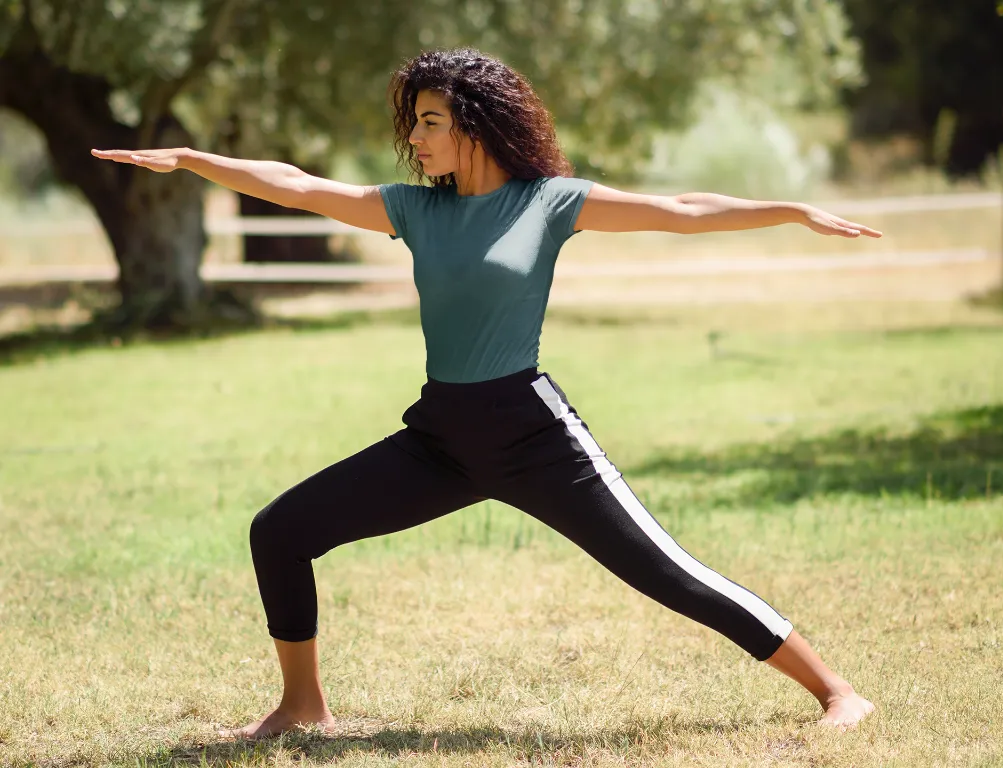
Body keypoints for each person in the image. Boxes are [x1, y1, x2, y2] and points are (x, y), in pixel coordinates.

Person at [93, 48, 881, 741]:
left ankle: (836, 690)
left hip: (533, 436)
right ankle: (302, 706)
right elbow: (296, 185)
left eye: (431, 121)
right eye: (415, 123)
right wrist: (195, 159)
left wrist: (792, 209)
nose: (416, 138)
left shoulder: (549, 202)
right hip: (442, 438)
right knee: (280, 531)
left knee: (667, 572)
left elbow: (679, 210)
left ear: (474, 122)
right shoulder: (413, 210)